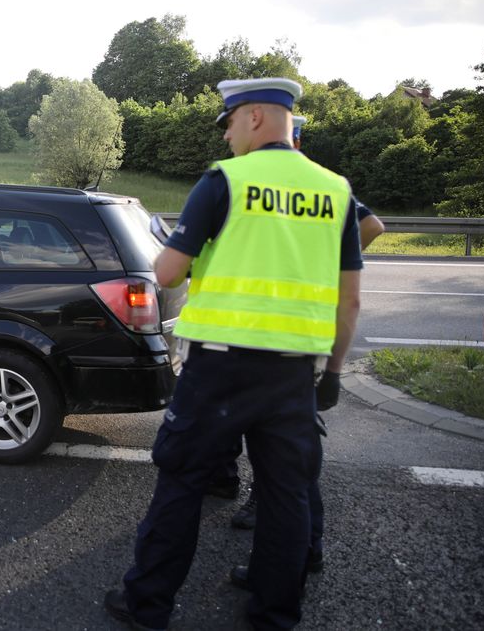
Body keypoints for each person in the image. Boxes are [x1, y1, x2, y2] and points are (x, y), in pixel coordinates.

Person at [104, 78, 362, 630]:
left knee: (182, 482)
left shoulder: (228, 181)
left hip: (218, 370)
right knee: (286, 496)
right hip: (294, 374)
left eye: (228, 124)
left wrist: (192, 252)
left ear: (253, 118)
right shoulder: (336, 191)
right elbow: (350, 300)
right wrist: (333, 373)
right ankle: (273, 614)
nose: (226, 138)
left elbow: (169, 271)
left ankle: (147, 605)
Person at [228, 116, 384, 545]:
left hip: (295, 334)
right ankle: (300, 541)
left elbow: (372, 226)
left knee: (287, 443)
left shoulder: (312, 186)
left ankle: (285, 527)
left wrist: (332, 262)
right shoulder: (307, 186)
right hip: (288, 331)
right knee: (289, 440)